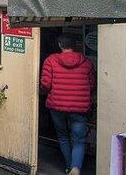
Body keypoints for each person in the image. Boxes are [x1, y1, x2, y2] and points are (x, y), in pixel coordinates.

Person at [41, 34, 95, 175]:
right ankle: (76, 168)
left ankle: (69, 166)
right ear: (76, 45)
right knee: (79, 139)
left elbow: (46, 85)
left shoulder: (50, 61)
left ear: (59, 44)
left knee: (63, 135)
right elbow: (92, 85)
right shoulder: (87, 62)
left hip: (57, 105)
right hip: (79, 107)